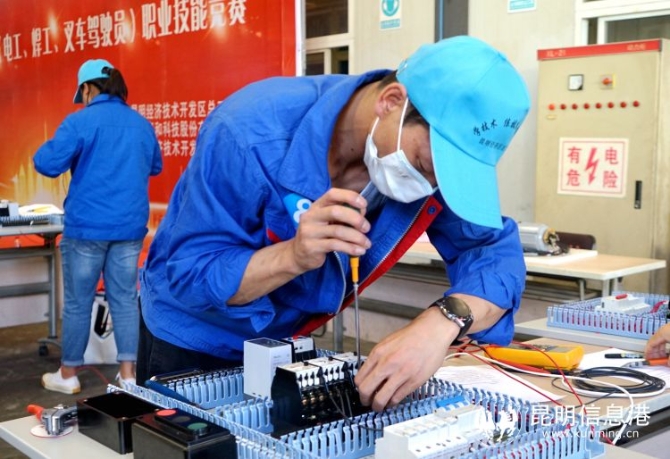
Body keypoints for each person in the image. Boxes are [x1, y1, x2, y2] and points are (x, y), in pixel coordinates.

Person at [138, 36, 530, 411]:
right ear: (391, 102)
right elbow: (192, 274)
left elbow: (492, 253)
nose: (430, 187)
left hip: (284, 344)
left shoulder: (431, 162)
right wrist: (293, 256)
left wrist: (441, 322)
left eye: (446, 180)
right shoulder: (247, 132)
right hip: (193, 341)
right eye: (426, 166)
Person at [34, 59, 163, 394]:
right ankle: (129, 375)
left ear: (87, 89)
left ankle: (68, 374)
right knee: (125, 299)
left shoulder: (80, 121)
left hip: (87, 229)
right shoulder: (141, 124)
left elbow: (46, 163)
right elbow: (155, 166)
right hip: (129, 227)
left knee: (79, 302)